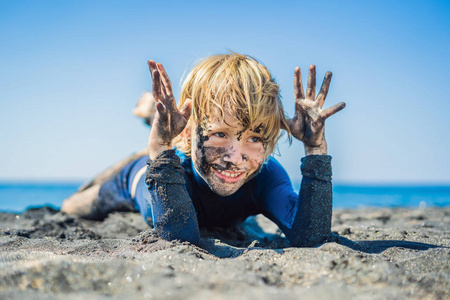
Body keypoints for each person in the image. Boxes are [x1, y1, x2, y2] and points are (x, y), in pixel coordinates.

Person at [61, 52, 345, 247]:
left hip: (183, 138)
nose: (235, 159)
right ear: (189, 131)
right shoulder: (169, 175)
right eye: (219, 134)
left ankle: (160, 117)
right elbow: (179, 235)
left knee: (180, 126)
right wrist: (160, 149)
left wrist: (315, 149)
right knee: (72, 207)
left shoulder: (266, 177)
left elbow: (310, 234)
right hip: (136, 176)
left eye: (255, 139)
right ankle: (153, 117)